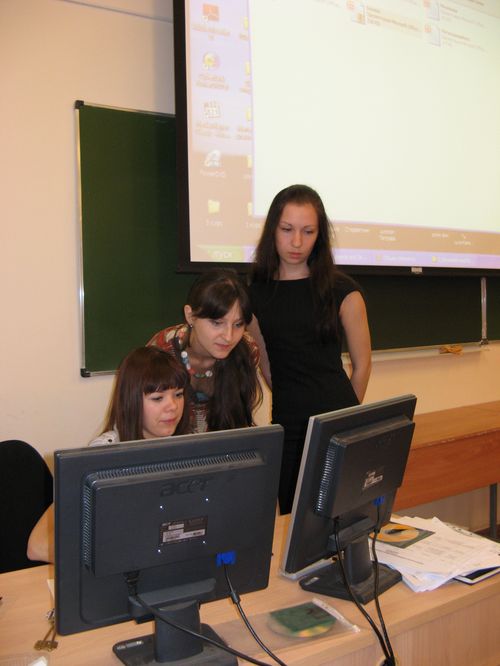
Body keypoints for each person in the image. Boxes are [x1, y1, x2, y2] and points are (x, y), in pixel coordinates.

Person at [248, 184, 372, 514]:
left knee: (344, 519)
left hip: (338, 423)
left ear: (320, 236)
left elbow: (362, 365)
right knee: (294, 521)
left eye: (308, 231)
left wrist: (345, 419)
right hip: (288, 428)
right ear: (273, 230)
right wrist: (293, 396)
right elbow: (266, 363)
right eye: (287, 229)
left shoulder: (343, 291)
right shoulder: (255, 295)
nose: (297, 242)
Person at [27, 346, 190, 563]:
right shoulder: (102, 456)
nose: (173, 407)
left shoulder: (189, 449)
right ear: (131, 401)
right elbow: (37, 547)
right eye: (158, 398)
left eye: (178, 394)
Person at [147, 268, 262, 433]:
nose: (228, 336)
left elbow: (237, 424)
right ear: (190, 316)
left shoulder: (246, 352)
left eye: (238, 324)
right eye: (217, 323)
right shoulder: (161, 351)